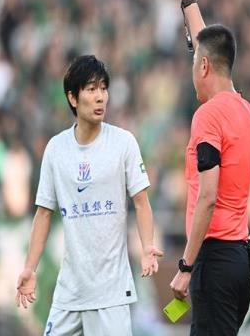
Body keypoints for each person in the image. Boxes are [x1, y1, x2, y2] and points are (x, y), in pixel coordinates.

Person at [15, 55, 163, 335]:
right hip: (70, 292)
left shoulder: (123, 143)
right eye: (91, 89)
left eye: (103, 89)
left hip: (111, 293)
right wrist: (30, 269)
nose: (100, 97)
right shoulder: (56, 149)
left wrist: (146, 247)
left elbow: (142, 203)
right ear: (73, 98)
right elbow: (43, 214)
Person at [169, 0, 250, 335]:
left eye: (194, 62)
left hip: (214, 259)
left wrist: (186, 266)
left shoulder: (207, 117)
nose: (192, 68)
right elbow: (206, 45)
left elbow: (208, 197)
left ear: (203, 67)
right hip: (240, 262)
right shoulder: (244, 109)